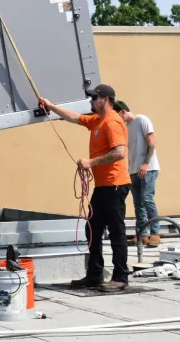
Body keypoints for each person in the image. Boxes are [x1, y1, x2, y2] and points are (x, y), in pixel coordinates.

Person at [39, 84, 131, 292]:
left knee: (116, 231)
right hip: (103, 186)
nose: (90, 101)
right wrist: (51, 106)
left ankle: (120, 277)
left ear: (106, 99)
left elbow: (119, 152)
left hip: (115, 184)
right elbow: (73, 117)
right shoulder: (97, 120)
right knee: (92, 229)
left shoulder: (113, 122)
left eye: (94, 98)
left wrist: (91, 162)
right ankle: (95, 274)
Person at [114, 101, 162, 247]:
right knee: (138, 204)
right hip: (134, 170)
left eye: (117, 116)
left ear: (122, 111)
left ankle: (155, 233)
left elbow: (152, 142)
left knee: (147, 199)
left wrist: (146, 163)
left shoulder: (142, 119)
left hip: (148, 168)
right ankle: (142, 234)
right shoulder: (126, 128)